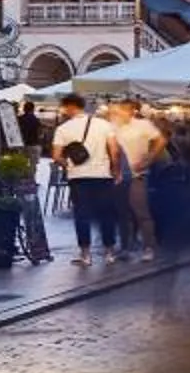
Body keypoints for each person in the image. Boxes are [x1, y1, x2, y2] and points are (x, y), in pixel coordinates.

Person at [50, 92, 127, 266]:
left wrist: (68, 165)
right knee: (107, 214)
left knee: (82, 215)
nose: (63, 111)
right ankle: (109, 253)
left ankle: (86, 255)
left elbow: (56, 156)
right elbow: (114, 151)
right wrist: (116, 171)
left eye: (64, 107)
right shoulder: (104, 125)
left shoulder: (63, 129)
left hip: (78, 177)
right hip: (102, 176)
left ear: (70, 107)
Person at [112, 97, 167, 259]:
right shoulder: (113, 126)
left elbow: (161, 140)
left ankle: (149, 247)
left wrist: (149, 158)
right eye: (120, 109)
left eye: (124, 109)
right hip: (118, 176)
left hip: (137, 175)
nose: (120, 112)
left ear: (133, 111)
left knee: (141, 212)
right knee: (122, 214)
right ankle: (125, 247)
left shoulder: (143, 125)